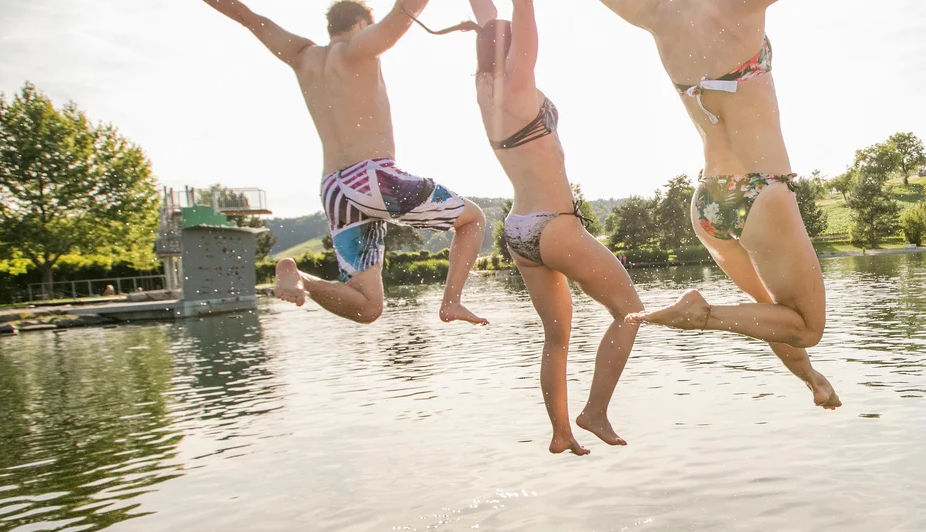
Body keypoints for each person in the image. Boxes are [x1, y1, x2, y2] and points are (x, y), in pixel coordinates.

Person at [597, 0, 840, 409]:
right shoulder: (737, 7)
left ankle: (811, 379)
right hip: (761, 192)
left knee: (770, 312)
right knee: (808, 328)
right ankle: (701, 315)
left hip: (709, 202)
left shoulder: (655, 14)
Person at [438, 0, 647, 455]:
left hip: (518, 231)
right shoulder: (518, 84)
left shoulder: (484, 89)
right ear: (511, 55)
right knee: (629, 310)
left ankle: (560, 431)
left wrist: (486, 23)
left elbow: (489, 12)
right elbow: (522, 13)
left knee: (556, 339)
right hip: (555, 225)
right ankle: (594, 411)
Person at [202, 0, 489, 326]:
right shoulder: (358, 48)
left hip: (334, 188)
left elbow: (246, 16)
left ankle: (300, 277)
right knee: (472, 220)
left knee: (368, 307)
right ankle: (452, 302)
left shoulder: (301, 56)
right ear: (361, 25)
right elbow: (404, 11)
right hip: (373, 177)